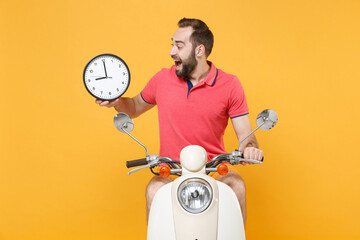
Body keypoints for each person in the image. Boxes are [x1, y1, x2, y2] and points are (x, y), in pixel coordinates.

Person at [95, 18, 263, 223]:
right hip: (171, 169)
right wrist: (118, 101)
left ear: (199, 50)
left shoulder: (230, 84)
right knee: (154, 189)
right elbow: (135, 107)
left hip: (215, 169)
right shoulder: (162, 79)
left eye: (179, 46)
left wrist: (251, 148)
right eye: (172, 44)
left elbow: (246, 135)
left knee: (236, 187)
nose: (172, 52)